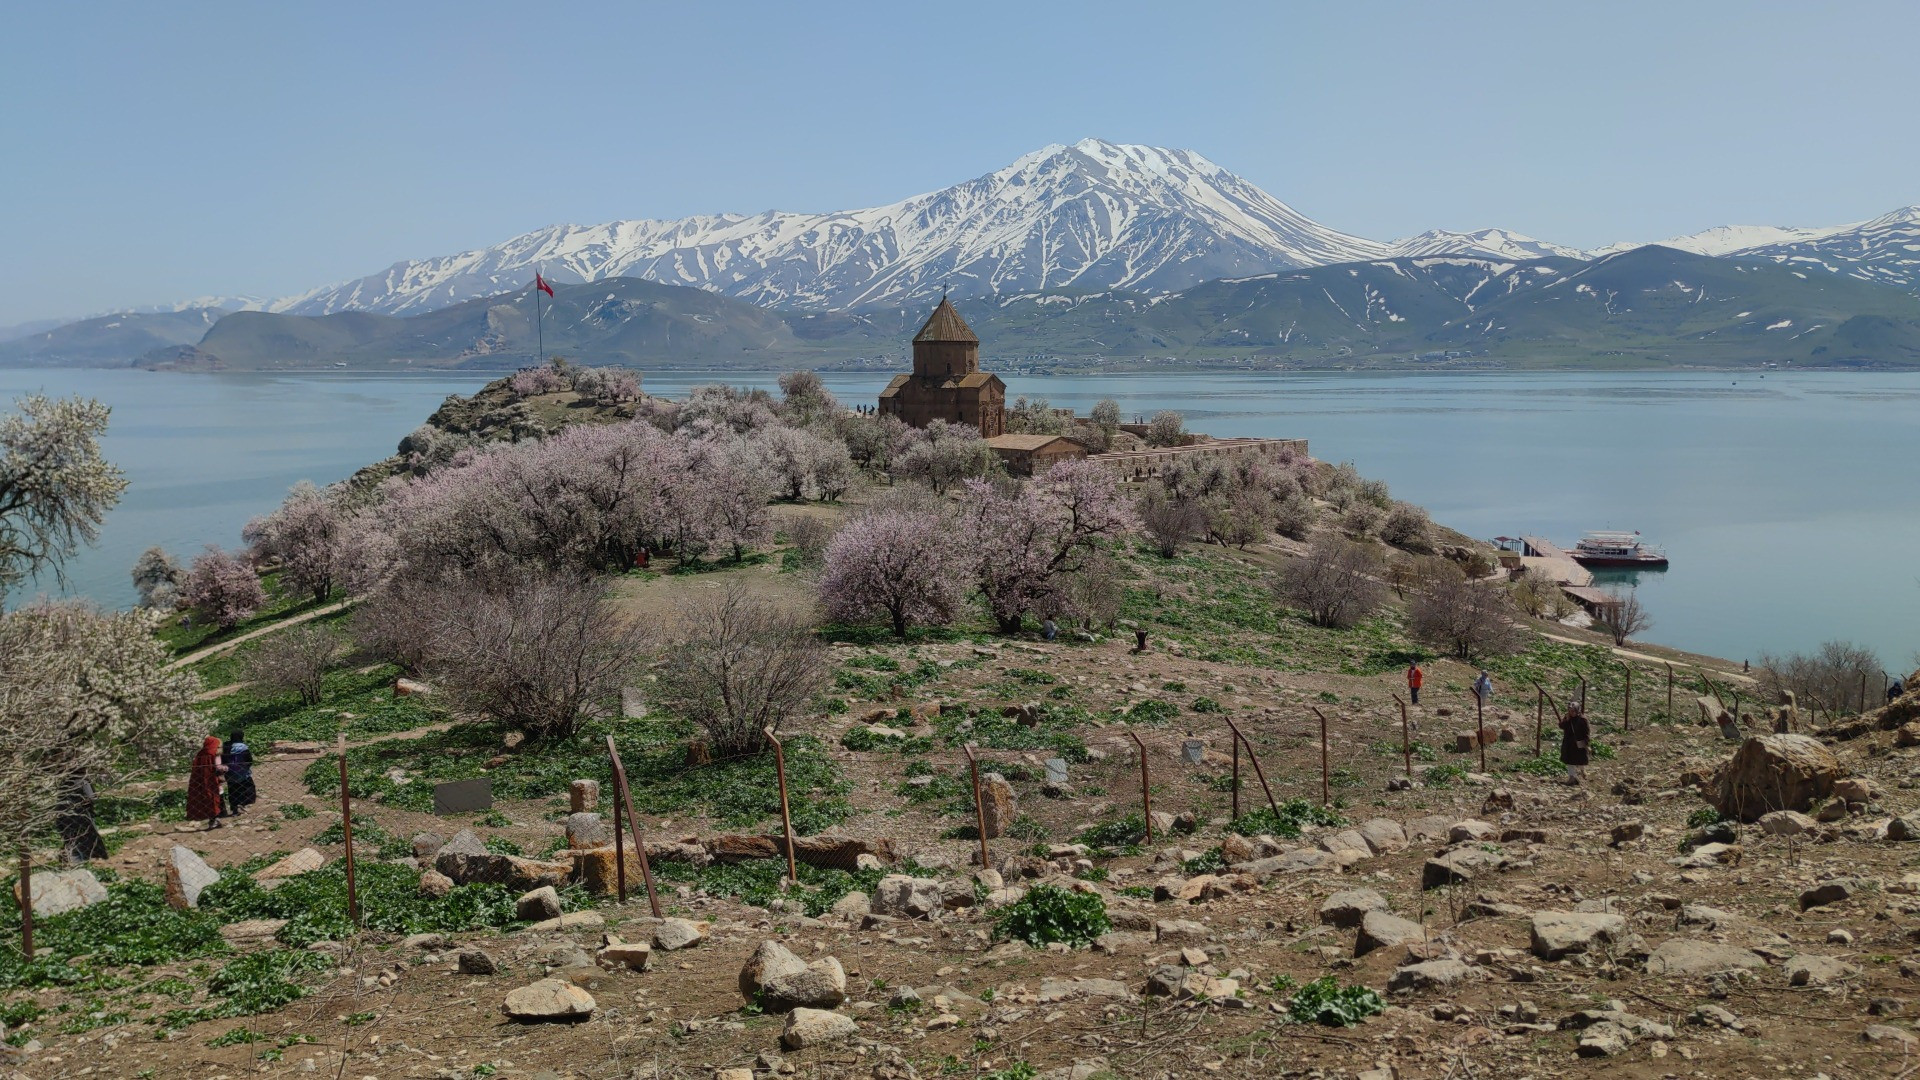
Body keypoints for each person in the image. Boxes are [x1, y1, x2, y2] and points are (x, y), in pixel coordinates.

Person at [55, 774, 108, 863]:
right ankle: (77, 861)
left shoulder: (64, 783)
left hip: (62, 817)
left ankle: (69, 858)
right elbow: (91, 797)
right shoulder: (83, 781)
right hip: (80, 816)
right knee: (85, 839)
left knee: (70, 839)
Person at [186, 736, 227, 829]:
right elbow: (218, 767)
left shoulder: (200, 754)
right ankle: (216, 819)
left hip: (201, 781)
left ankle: (212, 819)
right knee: (215, 797)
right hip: (212, 780)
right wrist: (226, 768)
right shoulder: (214, 754)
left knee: (207, 798)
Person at [223, 730, 257, 816]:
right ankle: (242, 804)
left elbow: (222, 759)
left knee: (233, 791)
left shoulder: (226, 746)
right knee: (247, 788)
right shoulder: (243, 747)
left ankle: (234, 809)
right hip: (243, 773)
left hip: (230, 774)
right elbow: (249, 760)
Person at [1558, 705, 1592, 785]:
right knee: (1570, 761)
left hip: (1579, 743)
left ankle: (1582, 771)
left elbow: (1586, 733)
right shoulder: (1568, 718)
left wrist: (1586, 743)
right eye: (1570, 711)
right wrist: (1566, 719)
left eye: (1573, 711)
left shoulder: (1582, 720)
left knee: (1580, 760)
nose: (1571, 713)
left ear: (1577, 710)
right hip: (1569, 743)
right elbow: (1561, 726)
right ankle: (1572, 778)